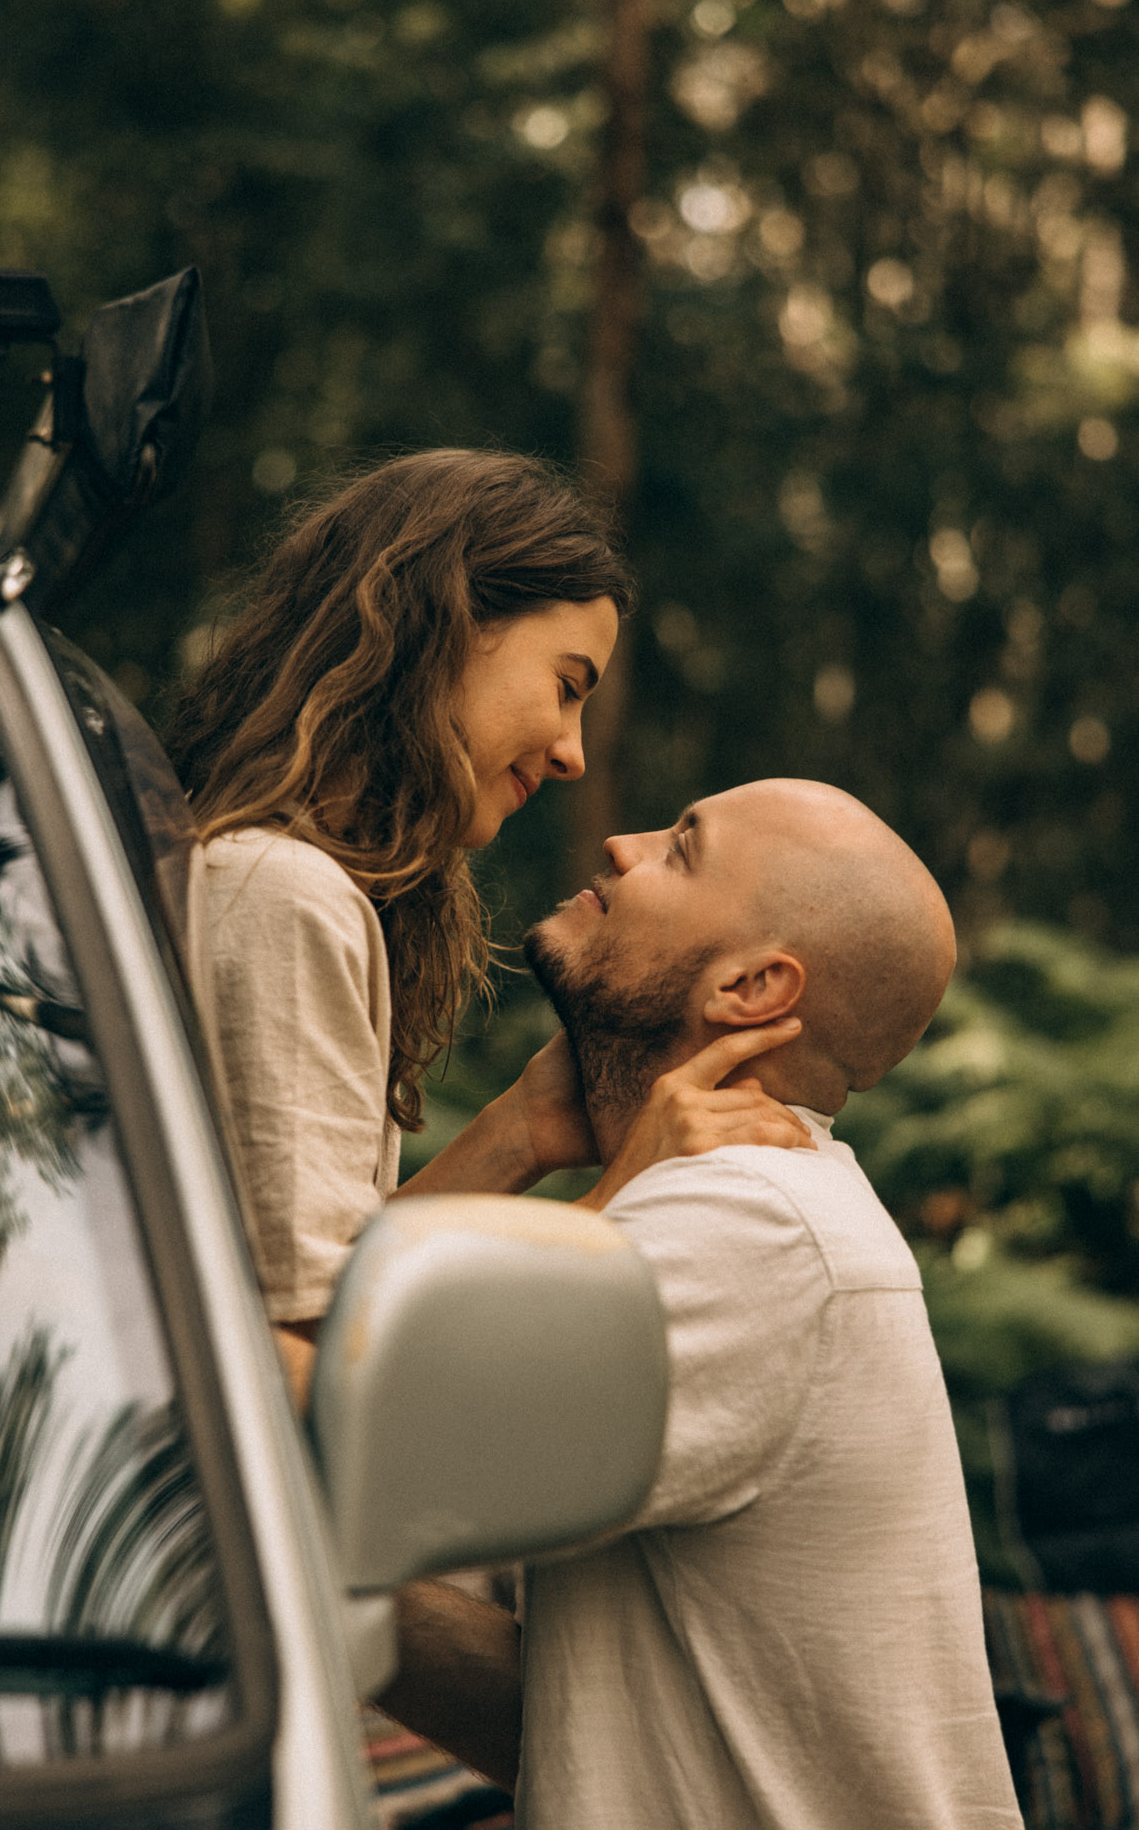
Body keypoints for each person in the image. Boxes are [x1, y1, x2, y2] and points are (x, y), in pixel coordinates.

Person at [379, 778, 1023, 1830]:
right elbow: (561, 1717)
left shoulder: (749, 1219)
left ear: (751, 986)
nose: (622, 844)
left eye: (681, 848)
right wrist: (513, 1135)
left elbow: (327, 1417)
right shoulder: (729, 1203)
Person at [167, 451, 812, 1358]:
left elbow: (321, 1284)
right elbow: (309, 1368)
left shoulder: (294, 884)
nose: (572, 754)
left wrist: (518, 1132)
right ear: (443, 625)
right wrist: (614, 1205)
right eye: (567, 687)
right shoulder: (280, 891)